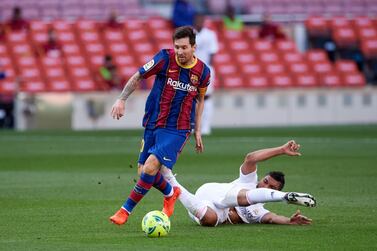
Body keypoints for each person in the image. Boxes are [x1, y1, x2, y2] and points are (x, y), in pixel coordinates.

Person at [109, 26, 211, 225]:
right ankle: (170, 192)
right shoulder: (164, 58)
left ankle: (125, 211)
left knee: (150, 167)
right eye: (177, 47)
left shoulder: (203, 72)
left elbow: (200, 100)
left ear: (194, 47)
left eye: (184, 47)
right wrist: (122, 99)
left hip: (178, 129)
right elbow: (138, 75)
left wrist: (198, 130)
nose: (180, 52)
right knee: (143, 172)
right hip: (153, 123)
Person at [162, 140, 316, 226]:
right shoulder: (248, 180)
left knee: (211, 220)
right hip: (212, 192)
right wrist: (281, 150)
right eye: (266, 181)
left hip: (203, 209)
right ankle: (285, 197)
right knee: (243, 198)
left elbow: (272, 218)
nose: (265, 185)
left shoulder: (258, 212)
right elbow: (251, 158)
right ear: (262, 178)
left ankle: (170, 179)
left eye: (271, 188)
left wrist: (289, 221)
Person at [193, 13, 218, 135]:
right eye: (197, 19)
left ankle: (206, 127)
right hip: (191, 70)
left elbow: (212, 53)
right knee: (191, 97)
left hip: (206, 69)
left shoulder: (210, 34)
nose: (199, 21)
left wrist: (209, 70)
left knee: (205, 97)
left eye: (201, 19)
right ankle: (193, 126)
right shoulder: (189, 34)